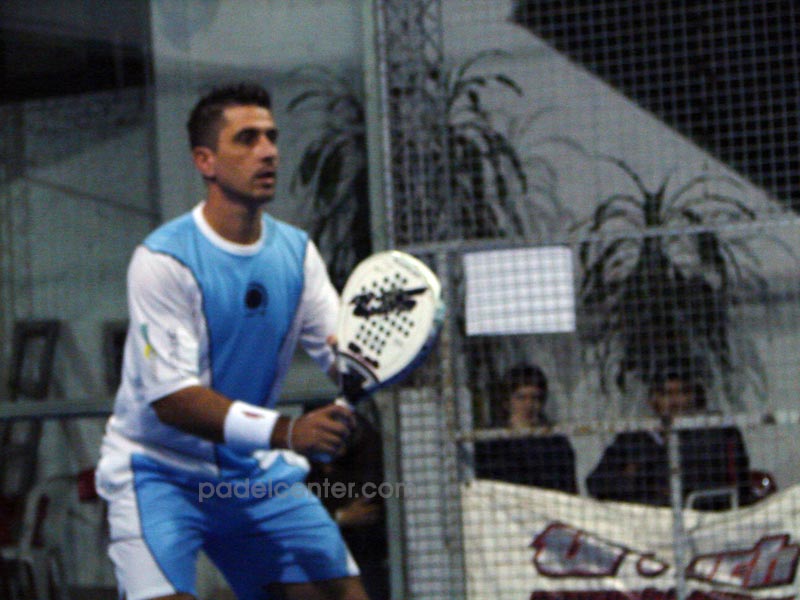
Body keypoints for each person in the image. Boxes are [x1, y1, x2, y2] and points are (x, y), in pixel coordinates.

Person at [94, 82, 370, 600]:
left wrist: (388, 361)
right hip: (158, 470)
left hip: (252, 470)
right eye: (247, 139)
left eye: (271, 137)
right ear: (206, 161)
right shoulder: (164, 260)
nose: (268, 152)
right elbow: (174, 400)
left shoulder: (296, 254)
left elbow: (345, 356)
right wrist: (290, 432)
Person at [586, 370, 753, 510]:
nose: (675, 401)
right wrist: (633, 479)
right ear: (652, 401)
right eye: (666, 394)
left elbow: (726, 483)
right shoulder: (633, 438)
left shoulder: (715, 435)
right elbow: (595, 483)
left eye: (682, 393)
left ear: (694, 397)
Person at [305, 401, 390, 600]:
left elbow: (369, 509)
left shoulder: (364, 456)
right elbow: (298, 518)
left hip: (363, 557)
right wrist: (341, 517)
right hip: (320, 561)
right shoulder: (300, 466)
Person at [473, 363, 577, 493]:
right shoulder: (491, 442)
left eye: (535, 398)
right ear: (507, 401)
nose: (529, 405)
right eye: (521, 398)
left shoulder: (555, 442)